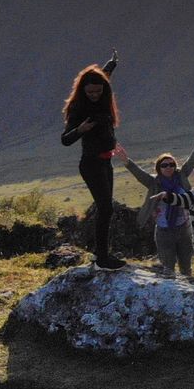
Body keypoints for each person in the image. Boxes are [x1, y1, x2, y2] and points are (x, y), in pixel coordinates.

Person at [114, 124, 194, 277]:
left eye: (172, 164)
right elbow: (138, 173)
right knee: (168, 269)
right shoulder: (153, 182)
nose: (169, 167)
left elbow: (193, 159)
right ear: (159, 168)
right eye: (164, 165)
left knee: (186, 268)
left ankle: (187, 290)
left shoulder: (181, 176)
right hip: (164, 231)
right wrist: (126, 160)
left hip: (184, 228)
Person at [60, 52, 123, 269]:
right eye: (90, 92)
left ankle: (102, 253)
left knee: (107, 208)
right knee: (105, 209)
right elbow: (65, 140)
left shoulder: (102, 95)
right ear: (83, 91)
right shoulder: (79, 108)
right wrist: (81, 129)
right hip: (91, 163)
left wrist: (112, 64)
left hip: (106, 162)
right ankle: (102, 258)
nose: (95, 95)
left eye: (98, 91)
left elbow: (103, 76)